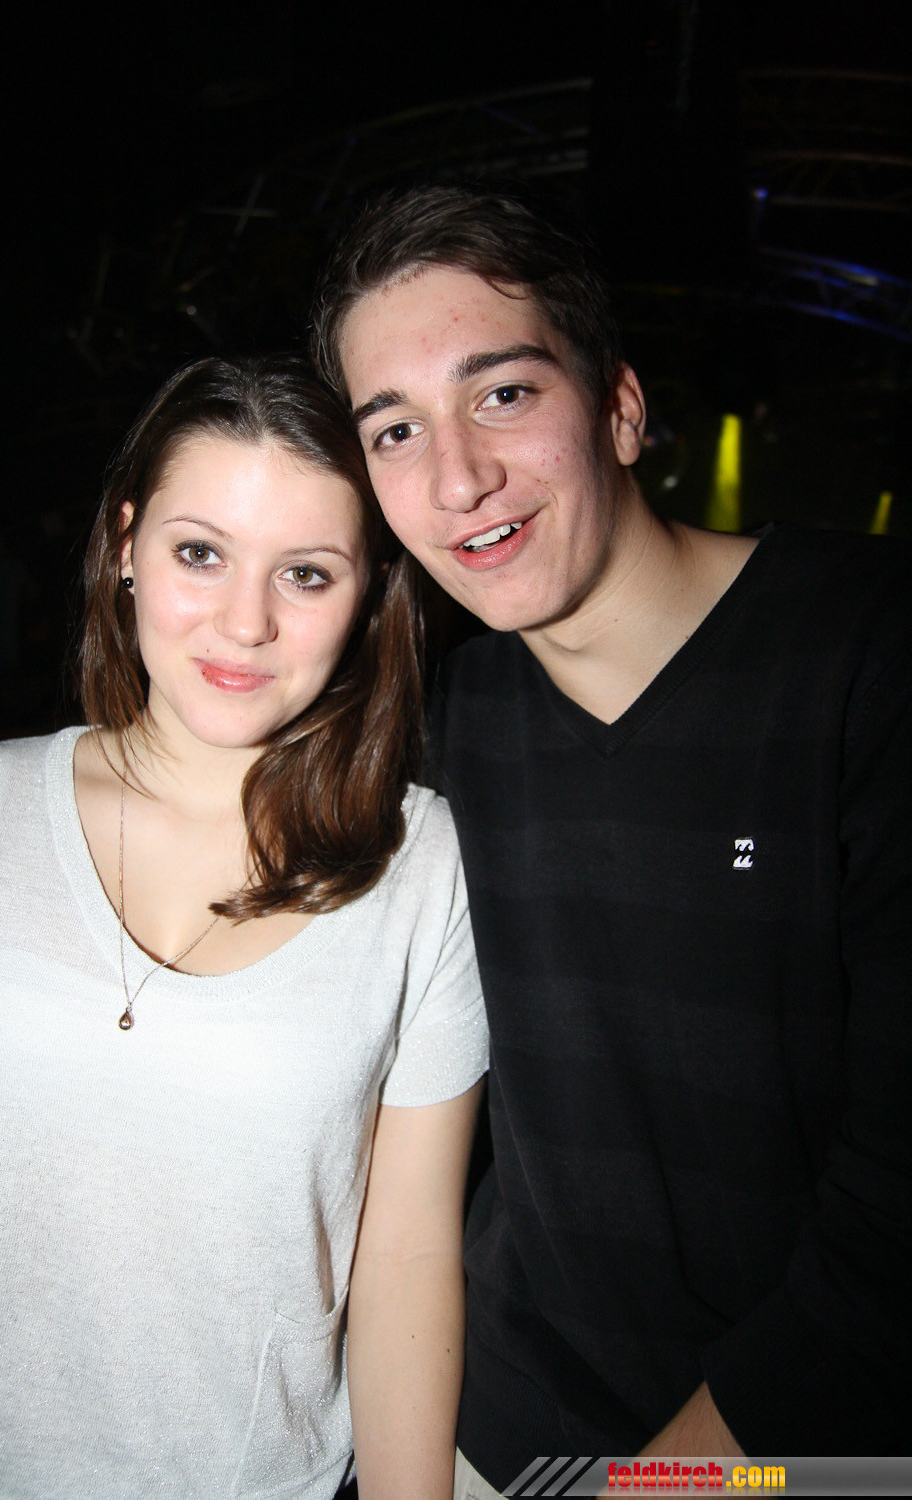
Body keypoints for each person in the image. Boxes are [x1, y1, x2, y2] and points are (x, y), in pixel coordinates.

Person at [310, 186, 912, 1489]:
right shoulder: (442, 725)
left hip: (807, 1452)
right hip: (497, 1419)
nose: (457, 476)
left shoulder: (865, 659)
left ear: (622, 410)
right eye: (395, 429)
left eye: (502, 394)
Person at [0, 355, 488, 1499]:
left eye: (306, 573)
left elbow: (408, 1258)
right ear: (125, 544)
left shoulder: (422, 869)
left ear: (370, 593)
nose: (245, 622)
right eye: (200, 553)